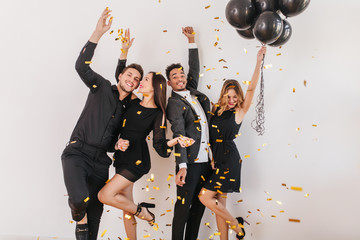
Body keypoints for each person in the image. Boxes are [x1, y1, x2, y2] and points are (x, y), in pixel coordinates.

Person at [97, 31, 194, 240]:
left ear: (155, 86)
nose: (140, 82)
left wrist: (174, 141)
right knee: (125, 206)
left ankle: (143, 212)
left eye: (145, 80)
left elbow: (160, 145)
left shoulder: (158, 113)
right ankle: (136, 221)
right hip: (122, 156)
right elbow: (120, 78)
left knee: (105, 195)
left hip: (137, 160)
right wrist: (124, 52)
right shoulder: (132, 100)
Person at [61, 8, 143, 240]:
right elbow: (81, 67)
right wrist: (97, 34)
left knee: (95, 219)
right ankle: (80, 220)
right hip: (77, 154)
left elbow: (111, 139)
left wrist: (116, 145)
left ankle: (86, 225)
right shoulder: (102, 86)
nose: (132, 80)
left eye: (137, 79)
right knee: (79, 200)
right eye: (129, 75)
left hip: (101, 163)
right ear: (120, 76)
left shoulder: (128, 109)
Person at [198, 46, 267, 240]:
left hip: (229, 160)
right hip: (217, 159)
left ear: (239, 97)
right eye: (228, 96)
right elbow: (209, 138)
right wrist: (211, 157)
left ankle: (237, 226)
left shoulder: (240, 111)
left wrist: (258, 62)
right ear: (223, 95)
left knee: (205, 197)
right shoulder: (215, 111)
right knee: (220, 205)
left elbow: (252, 88)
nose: (231, 100)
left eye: (235, 96)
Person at [166, 27, 212, 240]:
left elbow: (195, 68)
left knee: (198, 210)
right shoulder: (174, 103)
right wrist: (182, 166)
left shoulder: (192, 91)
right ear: (170, 83)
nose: (180, 78)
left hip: (206, 163)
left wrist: (192, 40)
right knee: (183, 210)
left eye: (181, 74)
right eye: (175, 76)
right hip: (190, 163)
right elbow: (179, 133)